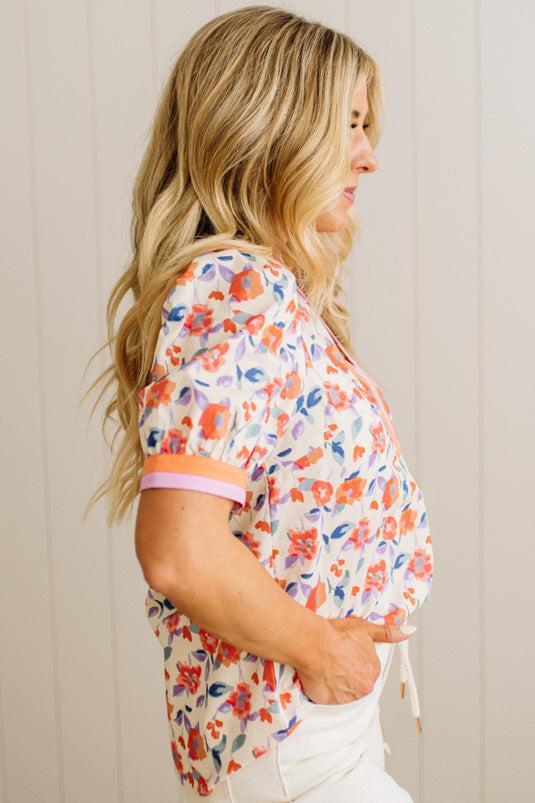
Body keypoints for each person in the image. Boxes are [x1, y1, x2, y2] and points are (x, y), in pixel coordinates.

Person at [83, 5, 433, 800]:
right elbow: (179, 550)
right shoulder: (232, 289)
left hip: (307, 731)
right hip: (290, 731)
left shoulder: (263, 290)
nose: (368, 157)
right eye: (346, 124)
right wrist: (325, 651)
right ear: (272, 130)